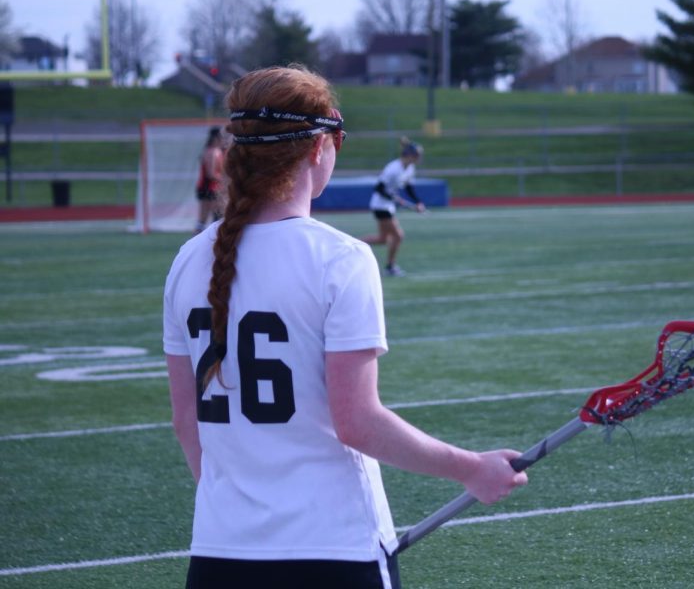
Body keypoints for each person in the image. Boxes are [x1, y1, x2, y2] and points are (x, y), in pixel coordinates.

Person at [164, 65, 527, 589]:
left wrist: (237, 511)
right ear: (319, 148)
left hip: (220, 554)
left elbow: (186, 421)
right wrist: (470, 467)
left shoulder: (186, 261)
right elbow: (357, 422)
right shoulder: (341, 260)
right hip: (333, 549)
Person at [361, 138, 426, 277]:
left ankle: (353, 244)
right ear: (409, 155)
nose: (418, 158)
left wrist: (418, 201)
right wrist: (394, 198)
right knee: (398, 236)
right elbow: (379, 188)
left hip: (388, 206)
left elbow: (409, 186)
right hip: (380, 205)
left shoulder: (410, 168)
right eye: (416, 156)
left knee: (382, 239)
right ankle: (390, 266)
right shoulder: (393, 168)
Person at [195, 126, 225, 233]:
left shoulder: (209, 150)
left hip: (208, 187)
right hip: (209, 188)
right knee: (215, 217)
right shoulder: (214, 152)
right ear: (216, 138)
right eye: (221, 137)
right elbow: (211, 174)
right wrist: (225, 180)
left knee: (207, 219)